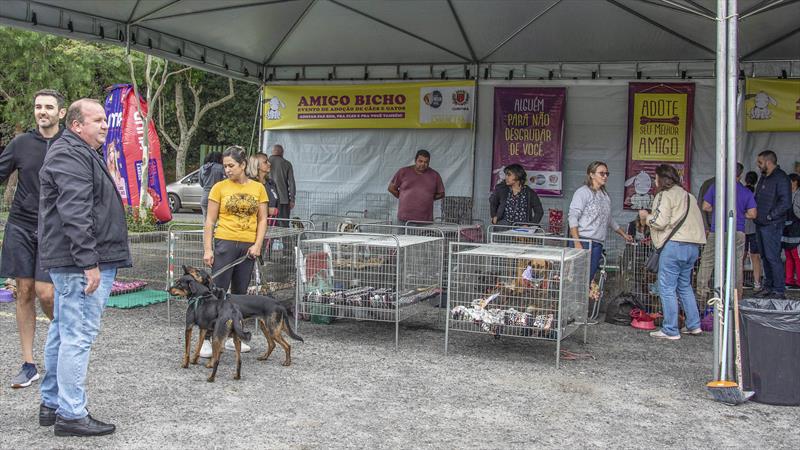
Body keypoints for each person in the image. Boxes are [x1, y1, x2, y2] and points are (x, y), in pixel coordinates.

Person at [38, 98, 131, 436]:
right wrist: (89, 262)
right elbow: (75, 211)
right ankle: (71, 413)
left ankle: (53, 403)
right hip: (80, 262)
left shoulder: (78, 151)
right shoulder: (69, 153)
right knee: (77, 335)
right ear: (77, 125)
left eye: (105, 119)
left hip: (77, 260)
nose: (105, 125)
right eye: (97, 120)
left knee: (63, 331)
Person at [0, 89, 64, 389]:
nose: (43, 111)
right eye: (38, 106)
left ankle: (62, 343)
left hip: (55, 229)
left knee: (46, 293)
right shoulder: (21, 143)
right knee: (23, 291)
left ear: (61, 113)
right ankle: (28, 364)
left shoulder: (71, 145)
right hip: (21, 226)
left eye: (49, 107)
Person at [201, 146, 268, 357]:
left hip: (248, 246)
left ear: (243, 165)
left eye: (231, 166)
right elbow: (209, 221)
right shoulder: (219, 187)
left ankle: (233, 336)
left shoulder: (258, 188)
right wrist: (208, 249)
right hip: (225, 242)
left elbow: (262, 219)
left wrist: (258, 244)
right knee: (217, 292)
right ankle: (207, 339)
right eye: (225, 166)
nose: (227, 170)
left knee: (240, 294)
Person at [643, 164, 706, 340]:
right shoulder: (689, 196)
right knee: (684, 285)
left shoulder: (665, 195)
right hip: (693, 247)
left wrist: (645, 217)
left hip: (674, 246)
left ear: (661, 179)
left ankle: (670, 329)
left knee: (667, 287)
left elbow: (659, 222)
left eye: (655, 178)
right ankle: (694, 325)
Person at [696, 163, 757, 302]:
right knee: (736, 263)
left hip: (716, 230)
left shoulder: (716, 187)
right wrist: (740, 214)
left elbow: (705, 206)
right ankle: (734, 295)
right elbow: (753, 214)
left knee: (707, 261)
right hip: (737, 231)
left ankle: (702, 292)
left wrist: (718, 210)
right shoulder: (745, 191)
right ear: (740, 175)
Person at [568, 161, 632, 281]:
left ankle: (585, 299)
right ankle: (574, 300)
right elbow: (573, 216)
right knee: (577, 278)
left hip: (597, 243)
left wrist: (624, 234)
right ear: (591, 175)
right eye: (601, 173)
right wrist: (577, 242)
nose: (605, 176)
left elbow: (609, 219)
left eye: (607, 173)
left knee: (589, 277)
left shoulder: (605, 196)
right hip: (583, 240)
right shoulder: (582, 192)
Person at [754, 150, 792, 299]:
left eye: (760, 163)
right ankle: (768, 286)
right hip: (761, 223)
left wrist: (770, 216)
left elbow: (786, 203)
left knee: (772, 256)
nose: (758, 165)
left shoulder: (781, 178)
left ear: (768, 162)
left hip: (772, 224)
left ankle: (779, 290)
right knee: (764, 256)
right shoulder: (764, 177)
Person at [388, 149, 445, 223]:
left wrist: (428, 198)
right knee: (403, 235)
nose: (423, 164)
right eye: (420, 161)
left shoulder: (435, 175)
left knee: (425, 235)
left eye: (426, 162)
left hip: (425, 219)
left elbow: (441, 194)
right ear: (415, 160)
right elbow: (391, 188)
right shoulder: (403, 172)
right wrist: (403, 196)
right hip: (404, 218)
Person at [268, 144, 296, 225]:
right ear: (282, 152)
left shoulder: (266, 162)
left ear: (273, 152)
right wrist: (292, 199)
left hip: (269, 198)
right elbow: (291, 182)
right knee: (284, 223)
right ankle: (284, 238)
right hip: (283, 198)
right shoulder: (286, 164)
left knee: (269, 223)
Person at [743, 171, 762, 289]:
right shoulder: (758, 193)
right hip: (755, 228)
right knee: (755, 257)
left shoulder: (741, 191)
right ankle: (757, 283)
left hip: (742, 228)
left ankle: (738, 282)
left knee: (740, 257)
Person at [248, 153, 279, 217]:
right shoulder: (251, 184)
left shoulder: (271, 183)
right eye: (265, 162)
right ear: (257, 166)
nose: (269, 164)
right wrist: (268, 210)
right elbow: (246, 207)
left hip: (271, 224)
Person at [782, 173, 800, 288]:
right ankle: (789, 280)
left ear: (795, 182)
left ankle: (798, 280)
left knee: (796, 255)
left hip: (797, 227)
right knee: (788, 254)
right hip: (786, 228)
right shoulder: (786, 194)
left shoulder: (798, 195)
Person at [199, 151, 225, 217]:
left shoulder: (202, 168)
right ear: (219, 158)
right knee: (219, 220)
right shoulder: (221, 168)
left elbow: (201, 184)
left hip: (205, 197)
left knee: (207, 221)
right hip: (217, 197)